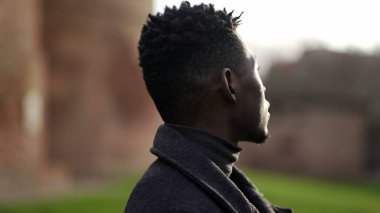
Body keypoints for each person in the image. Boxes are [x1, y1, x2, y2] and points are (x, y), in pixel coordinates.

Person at [125, 1, 292, 212]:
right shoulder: (175, 204)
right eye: (256, 68)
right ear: (230, 85)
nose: (264, 87)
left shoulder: (181, 188)